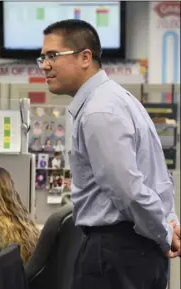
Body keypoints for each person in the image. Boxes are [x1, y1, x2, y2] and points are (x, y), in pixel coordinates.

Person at [39, 19, 180, 289]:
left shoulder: (98, 112)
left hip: (115, 254)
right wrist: (168, 222)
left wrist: (164, 232)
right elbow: (157, 178)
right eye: (43, 57)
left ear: (85, 57)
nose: (45, 65)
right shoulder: (117, 99)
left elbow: (127, 190)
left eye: (53, 56)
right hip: (134, 251)